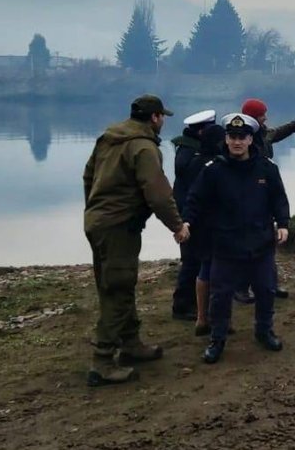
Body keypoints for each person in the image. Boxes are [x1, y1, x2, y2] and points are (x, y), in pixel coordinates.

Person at [82, 94, 189, 386]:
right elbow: (157, 193)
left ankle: (130, 344)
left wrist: (93, 209)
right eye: (162, 116)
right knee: (117, 287)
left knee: (117, 282)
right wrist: (177, 225)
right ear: (155, 118)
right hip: (117, 226)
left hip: (98, 222)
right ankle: (102, 361)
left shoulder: (109, 137)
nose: (163, 121)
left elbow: (88, 176)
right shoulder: (144, 147)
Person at [182, 113, 291, 364]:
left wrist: (283, 224)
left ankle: (264, 332)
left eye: (242, 137)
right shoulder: (213, 171)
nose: (237, 142)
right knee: (220, 296)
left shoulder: (267, 168)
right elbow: (195, 200)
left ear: (251, 139)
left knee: (266, 291)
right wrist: (186, 222)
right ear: (226, 139)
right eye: (232, 137)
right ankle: (217, 340)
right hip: (226, 245)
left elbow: (279, 199)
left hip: (261, 244)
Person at [237, 98, 295, 301]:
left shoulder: (262, 134)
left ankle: (269, 285)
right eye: (263, 114)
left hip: (264, 195)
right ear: (254, 117)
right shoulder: (240, 138)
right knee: (244, 246)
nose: (266, 117)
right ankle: (241, 288)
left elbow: (277, 133)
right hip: (245, 200)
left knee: (267, 244)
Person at [170, 109, 216, 321]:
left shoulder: (185, 150)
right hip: (191, 215)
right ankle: (182, 305)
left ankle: (192, 303)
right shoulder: (195, 157)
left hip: (187, 212)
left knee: (193, 259)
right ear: (201, 132)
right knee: (192, 261)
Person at [180, 123, 225, 336]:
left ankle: (200, 317)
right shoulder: (214, 166)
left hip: (195, 224)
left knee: (200, 268)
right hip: (212, 226)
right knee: (215, 271)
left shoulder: (193, 161)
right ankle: (212, 317)